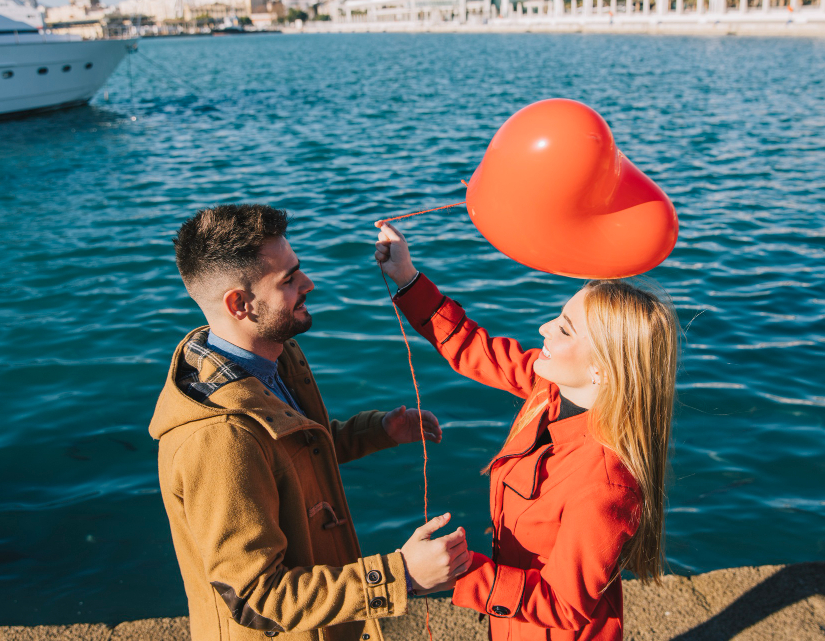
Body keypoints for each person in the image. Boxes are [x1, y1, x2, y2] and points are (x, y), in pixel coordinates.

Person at [149, 204, 471, 641]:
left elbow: (290, 456)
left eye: (298, 270)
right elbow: (255, 597)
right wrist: (401, 575)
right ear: (239, 304)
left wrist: (378, 430)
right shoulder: (218, 439)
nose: (308, 284)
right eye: (288, 279)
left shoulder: (273, 357)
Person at [375, 222, 679, 641]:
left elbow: (566, 606)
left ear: (602, 369)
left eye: (565, 328)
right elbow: (473, 348)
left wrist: (459, 575)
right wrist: (408, 278)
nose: (545, 328)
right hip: (513, 623)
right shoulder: (549, 383)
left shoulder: (606, 486)